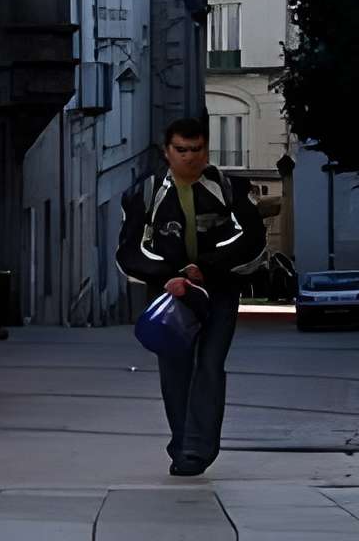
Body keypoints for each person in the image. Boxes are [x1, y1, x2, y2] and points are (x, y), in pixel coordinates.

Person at [115, 113, 266, 476]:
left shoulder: (230, 189)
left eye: (196, 149)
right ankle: (181, 444)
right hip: (169, 296)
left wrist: (208, 268)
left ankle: (198, 451)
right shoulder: (145, 193)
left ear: (206, 150)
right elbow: (129, 250)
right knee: (175, 372)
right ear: (167, 151)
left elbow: (252, 239)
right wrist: (170, 276)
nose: (189, 157)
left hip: (219, 292)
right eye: (181, 149)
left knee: (210, 365)